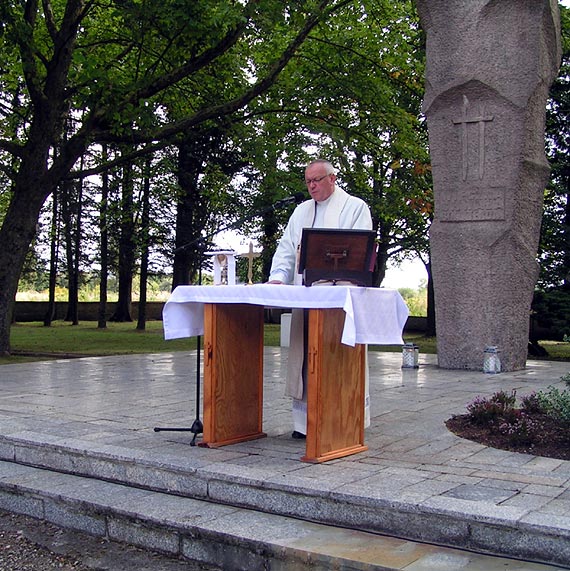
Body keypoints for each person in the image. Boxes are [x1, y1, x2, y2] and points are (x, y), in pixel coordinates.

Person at [268, 159, 373, 438]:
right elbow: (287, 249)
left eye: (317, 180)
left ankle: (342, 416)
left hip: (339, 299)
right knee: (305, 357)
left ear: (332, 178)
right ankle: (304, 424)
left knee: (337, 356)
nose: (312, 186)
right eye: (308, 181)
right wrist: (278, 275)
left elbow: (360, 250)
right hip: (307, 295)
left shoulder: (355, 207)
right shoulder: (301, 212)